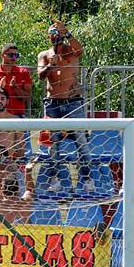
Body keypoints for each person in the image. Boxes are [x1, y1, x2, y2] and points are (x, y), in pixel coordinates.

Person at [37, 21, 91, 192]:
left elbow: (80, 50)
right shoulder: (44, 54)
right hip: (52, 103)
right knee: (53, 144)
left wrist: (67, 33)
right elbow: (40, 74)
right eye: (52, 33)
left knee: (81, 140)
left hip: (73, 102)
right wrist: (50, 65)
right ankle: (54, 177)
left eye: (57, 33)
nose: (55, 36)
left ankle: (87, 176)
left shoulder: (70, 51)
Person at [0, 43, 33, 116]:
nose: (14, 58)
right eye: (10, 55)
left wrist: (15, 88)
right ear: (2, 55)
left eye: (16, 55)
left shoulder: (23, 72)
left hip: (17, 115)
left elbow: (28, 98)